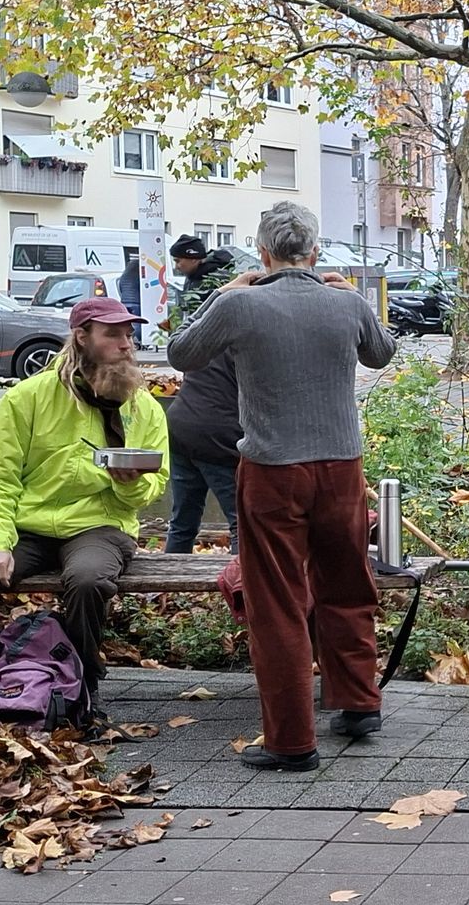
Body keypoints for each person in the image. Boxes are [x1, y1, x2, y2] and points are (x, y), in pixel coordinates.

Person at [167, 200, 394, 771]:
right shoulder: (344, 302)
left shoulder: (241, 305)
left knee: (278, 604)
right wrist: (353, 298)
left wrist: (223, 294)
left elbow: (181, 355)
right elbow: (381, 354)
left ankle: (292, 741)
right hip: (342, 467)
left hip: (271, 470)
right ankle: (359, 703)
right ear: (314, 252)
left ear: (262, 253)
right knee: (348, 584)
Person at [0, 296, 169, 717]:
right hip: (28, 526)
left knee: (90, 580)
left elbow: (154, 486)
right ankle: (7, 669)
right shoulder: (28, 398)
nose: (127, 344)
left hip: (100, 524)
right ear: (81, 337)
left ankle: (79, 684)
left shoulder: (141, 404)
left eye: (129, 334)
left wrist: (129, 485)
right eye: (113, 333)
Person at [159, 255, 240, 555]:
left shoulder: (204, 335)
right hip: (219, 436)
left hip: (181, 428)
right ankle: (242, 592)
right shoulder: (247, 337)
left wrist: (220, 294)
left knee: (183, 519)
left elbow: (181, 335)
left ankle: (166, 590)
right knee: (242, 523)